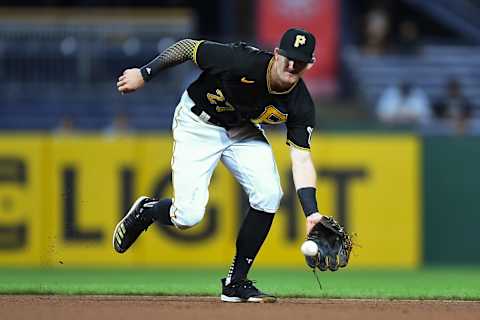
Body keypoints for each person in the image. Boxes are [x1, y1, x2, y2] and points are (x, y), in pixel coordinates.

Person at [113, 28, 326, 303]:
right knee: (187, 217)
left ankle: (235, 283)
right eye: (289, 57)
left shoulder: (301, 103)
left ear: (310, 64)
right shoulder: (241, 60)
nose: (293, 65)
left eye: (301, 61)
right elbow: (189, 47)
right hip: (198, 123)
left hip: (242, 130)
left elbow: (302, 158)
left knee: (270, 194)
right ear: (276, 54)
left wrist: (312, 213)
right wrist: (145, 73)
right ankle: (148, 210)